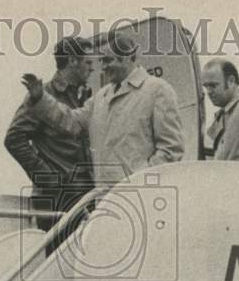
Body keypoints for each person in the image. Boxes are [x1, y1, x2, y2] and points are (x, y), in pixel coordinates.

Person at [20, 32, 184, 186]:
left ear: (127, 58)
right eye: (101, 61)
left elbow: (171, 151)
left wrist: (139, 182)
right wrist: (41, 98)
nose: (103, 67)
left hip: (141, 198)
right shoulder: (102, 97)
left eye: (107, 61)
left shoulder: (158, 90)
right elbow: (71, 120)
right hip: (106, 201)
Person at [4, 36, 95, 231]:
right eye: (88, 62)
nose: (93, 68)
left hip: (84, 194)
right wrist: (48, 178)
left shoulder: (86, 97)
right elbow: (14, 139)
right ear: (72, 61)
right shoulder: (42, 96)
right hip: (56, 197)